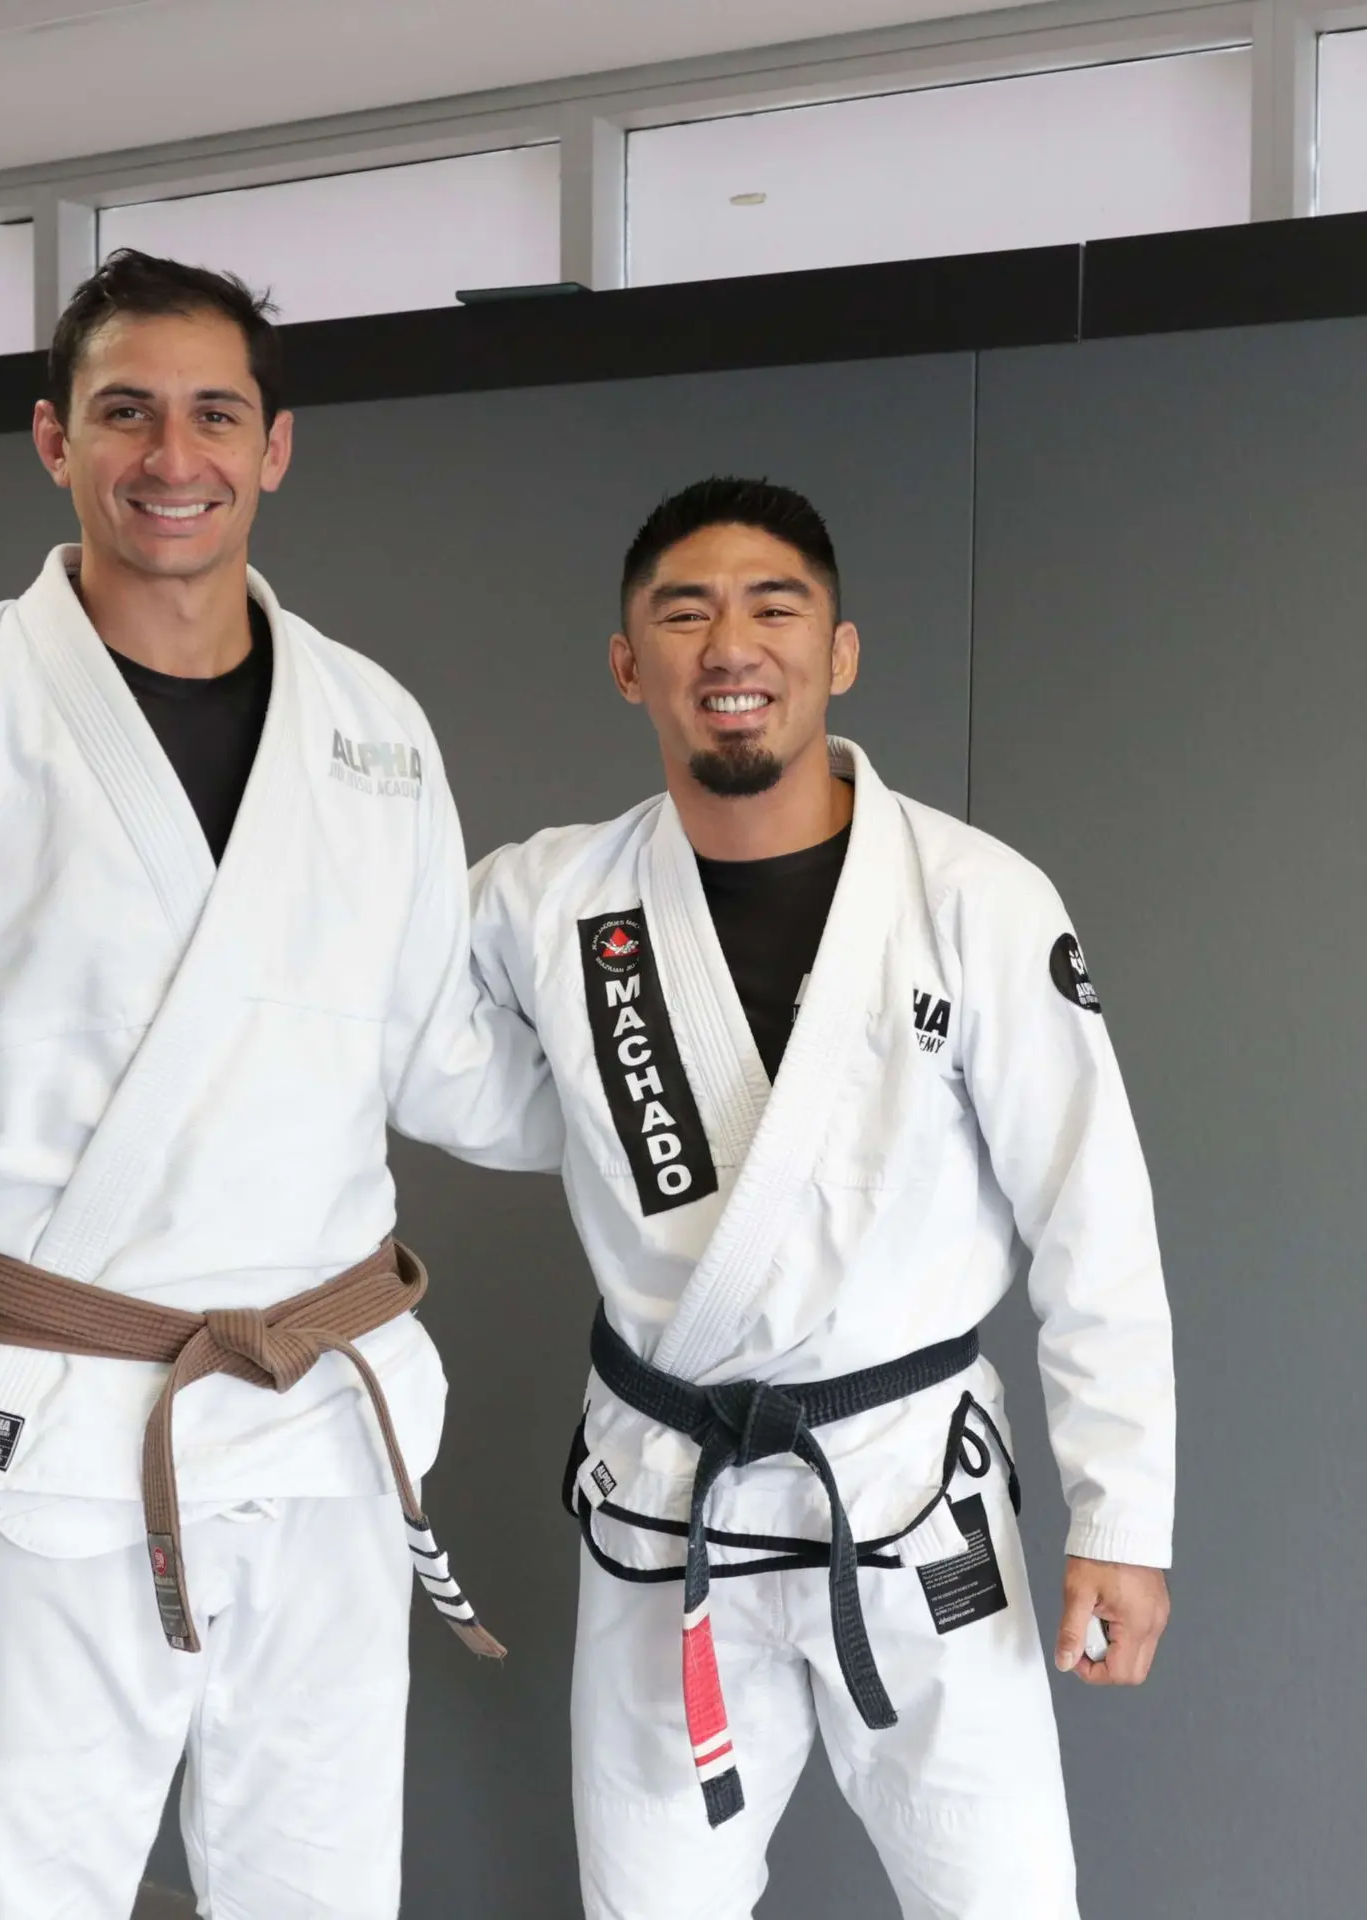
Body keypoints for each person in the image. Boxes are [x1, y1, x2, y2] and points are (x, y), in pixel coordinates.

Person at [0, 249, 560, 1920]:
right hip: (51, 1435)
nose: (168, 455)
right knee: (34, 1893)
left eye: (212, 413)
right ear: (55, 440)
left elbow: (441, 1064)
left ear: (276, 448)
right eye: (125, 412)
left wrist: (680, 1050)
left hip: (325, 1430)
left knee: (325, 1893)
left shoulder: (374, 724)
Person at [469, 477, 1175, 1917]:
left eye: (774, 606)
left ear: (839, 651)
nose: (733, 644)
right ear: (630, 664)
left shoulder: (974, 898)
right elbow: (376, 1031)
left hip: (910, 1497)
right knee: (650, 1905)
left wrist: (1124, 1516)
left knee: (1006, 1903)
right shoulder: (549, 904)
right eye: (686, 612)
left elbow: (1091, 1215)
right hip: (674, 1510)